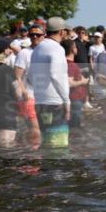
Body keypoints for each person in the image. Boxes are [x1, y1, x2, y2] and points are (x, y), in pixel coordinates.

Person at [27, 17, 71, 148]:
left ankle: (45, 168)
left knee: (47, 142)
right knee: (59, 145)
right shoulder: (57, 49)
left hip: (40, 101)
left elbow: (30, 76)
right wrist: (66, 100)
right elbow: (56, 75)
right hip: (55, 102)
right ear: (62, 31)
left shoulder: (38, 48)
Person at [63, 39, 89, 128]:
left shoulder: (67, 63)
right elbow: (69, 83)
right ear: (72, 49)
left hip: (74, 100)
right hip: (74, 100)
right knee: (74, 129)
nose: (77, 49)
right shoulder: (70, 64)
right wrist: (83, 81)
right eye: (75, 47)